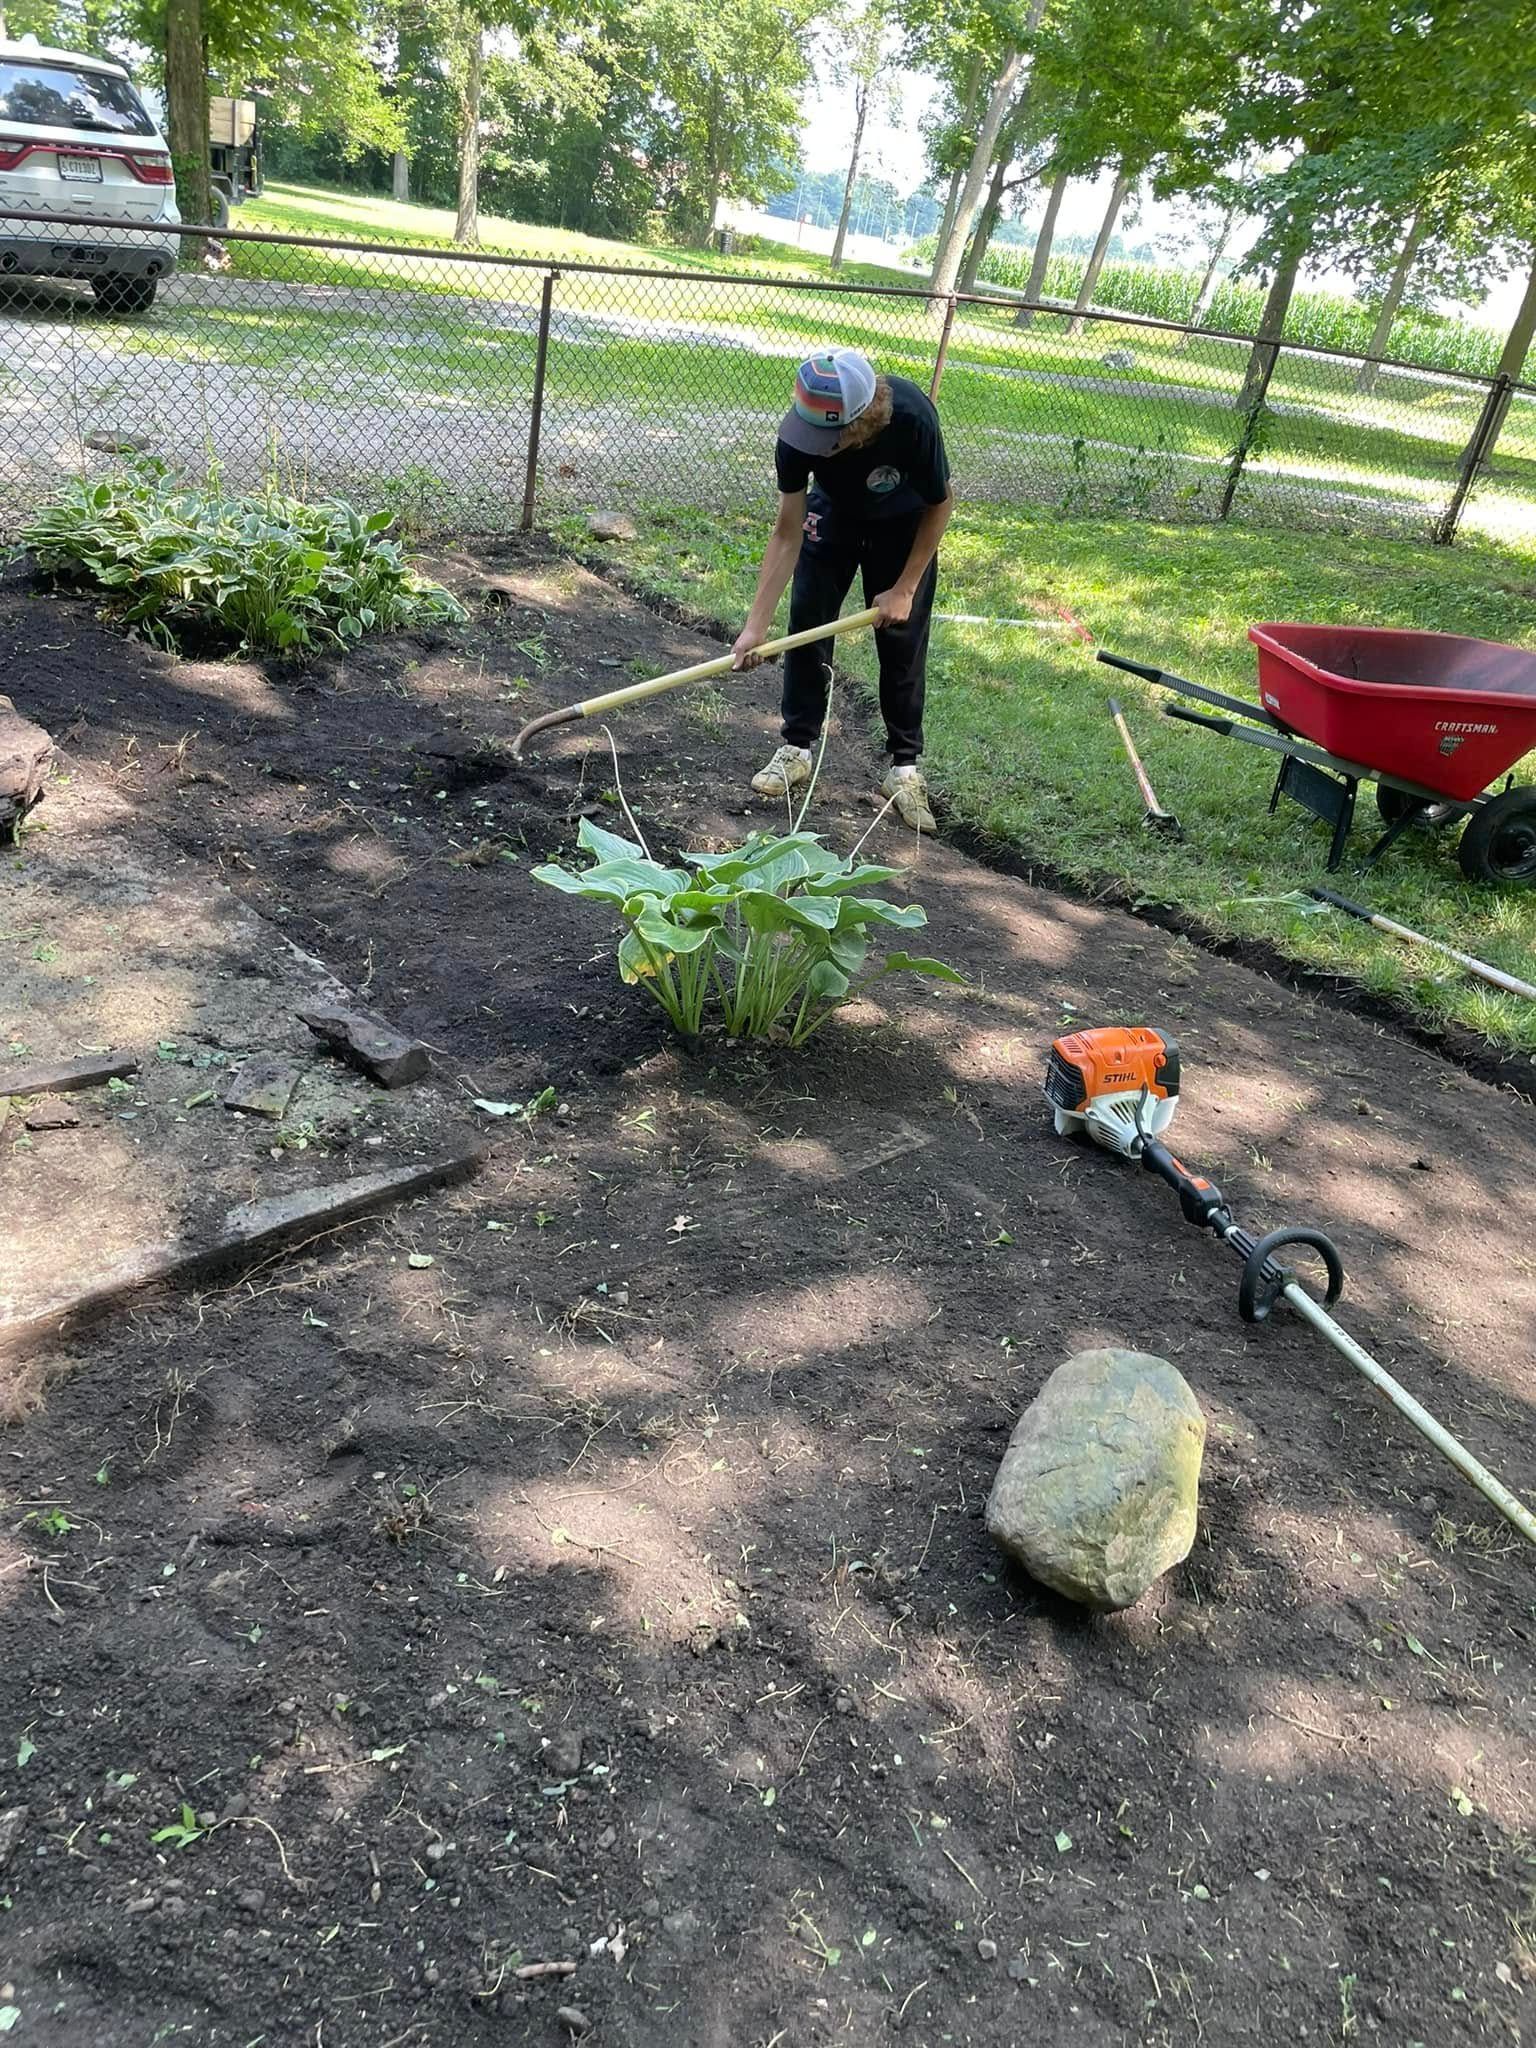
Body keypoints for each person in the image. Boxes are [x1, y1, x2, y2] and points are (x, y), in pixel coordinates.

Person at [731, 347, 954, 834]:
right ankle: (796, 748)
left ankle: (903, 770)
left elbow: (941, 503)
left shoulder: (912, 418)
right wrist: (755, 627)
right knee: (807, 623)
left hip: (904, 523)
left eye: (824, 436)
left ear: (861, 422)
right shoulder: (796, 437)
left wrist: (905, 587)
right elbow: (786, 532)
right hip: (833, 514)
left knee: (902, 643)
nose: (811, 444)